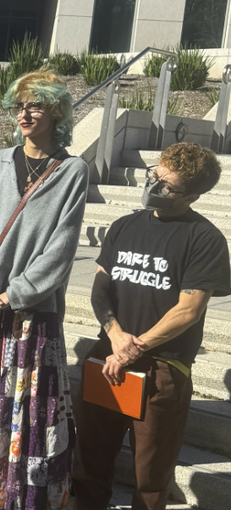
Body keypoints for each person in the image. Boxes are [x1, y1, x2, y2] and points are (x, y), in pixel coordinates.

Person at [0, 69, 88, 510]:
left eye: (36, 104)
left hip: (32, 315)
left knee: (31, 411)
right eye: (20, 105)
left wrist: (14, 294)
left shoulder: (73, 171)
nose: (25, 113)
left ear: (55, 112)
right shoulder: (0, 161)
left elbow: (61, 251)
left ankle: (26, 493)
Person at [72, 143, 230, 510]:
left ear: (193, 195)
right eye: (154, 177)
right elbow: (100, 289)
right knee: (89, 464)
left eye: (168, 187)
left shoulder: (204, 239)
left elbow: (188, 309)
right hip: (107, 359)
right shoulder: (124, 226)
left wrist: (134, 347)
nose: (155, 188)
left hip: (162, 369)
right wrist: (114, 336)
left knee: (150, 478)